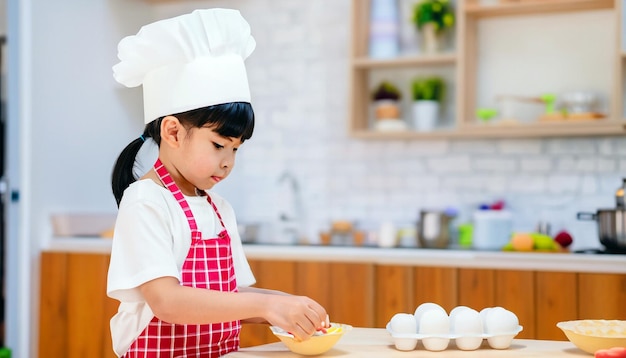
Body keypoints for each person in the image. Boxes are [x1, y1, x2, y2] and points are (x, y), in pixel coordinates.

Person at [107, 8, 329, 358]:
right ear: (173, 132)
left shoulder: (219, 209)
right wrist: (269, 307)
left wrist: (290, 306)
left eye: (236, 149)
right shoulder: (146, 202)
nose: (228, 162)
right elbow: (167, 302)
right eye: (219, 145)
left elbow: (233, 297)